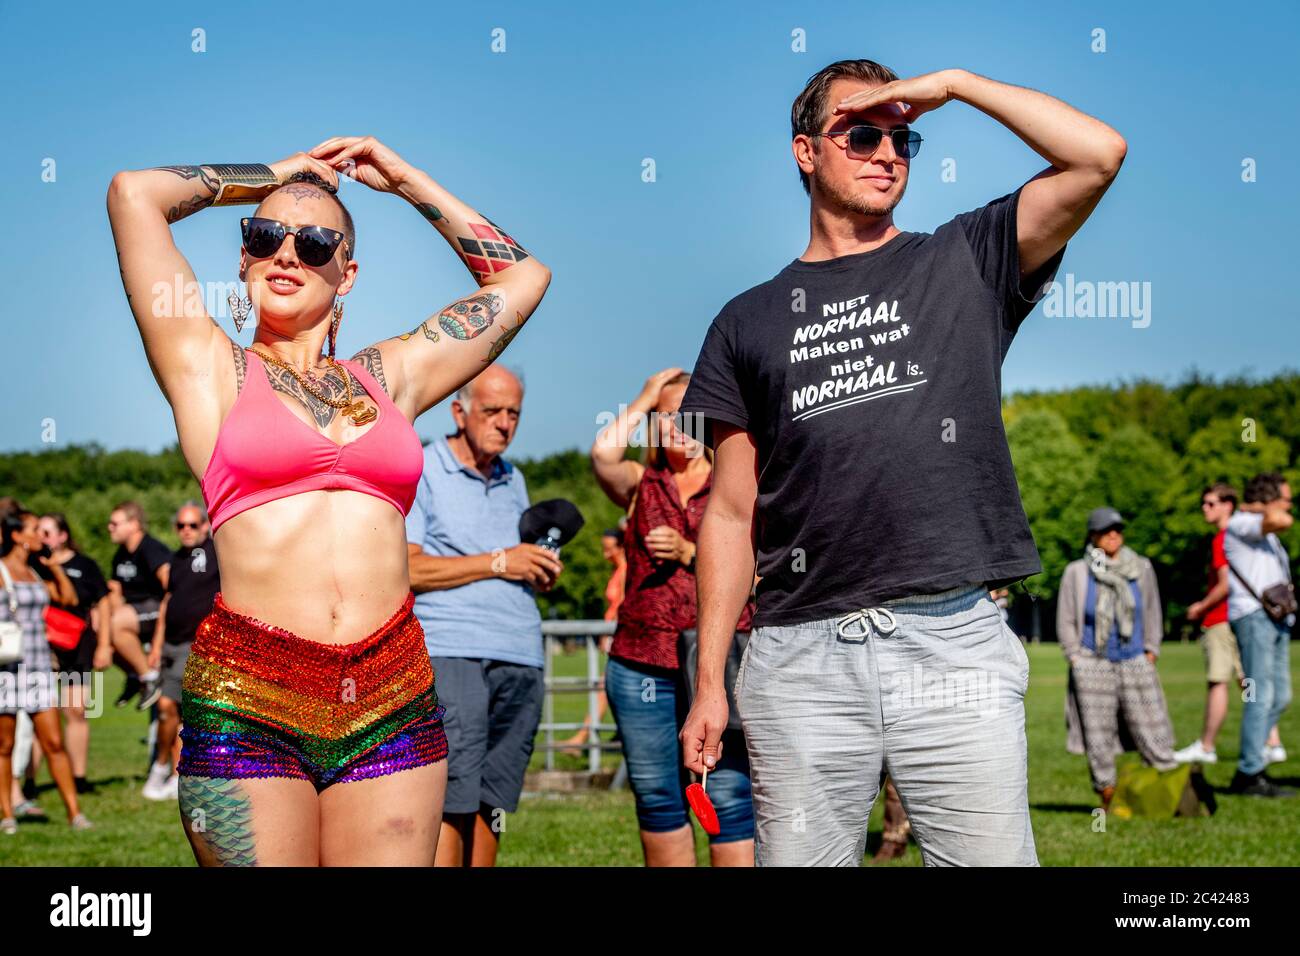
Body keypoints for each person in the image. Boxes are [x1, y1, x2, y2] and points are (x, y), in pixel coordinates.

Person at [678, 59, 1125, 866]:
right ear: (805, 152)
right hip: (799, 656)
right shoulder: (743, 321)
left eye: (903, 135)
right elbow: (732, 513)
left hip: (953, 641)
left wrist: (955, 84)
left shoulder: (967, 257)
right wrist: (710, 680)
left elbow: (1098, 155)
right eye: (861, 133)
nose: (888, 151)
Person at [107, 136, 550, 865]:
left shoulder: (390, 377)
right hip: (250, 697)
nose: (287, 253)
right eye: (265, 237)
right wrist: (280, 177)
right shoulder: (211, 370)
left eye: (315, 243)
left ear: (347, 275)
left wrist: (405, 180)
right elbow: (134, 194)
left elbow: (523, 279)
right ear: (243, 260)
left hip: (391, 695)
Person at [592, 367, 756, 867]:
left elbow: (754, 574)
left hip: (720, 660)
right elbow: (603, 454)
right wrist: (644, 398)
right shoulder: (643, 483)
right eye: (666, 418)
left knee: (727, 792)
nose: (677, 426)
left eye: (688, 414)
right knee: (659, 796)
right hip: (642, 662)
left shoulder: (736, 485)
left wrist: (689, 552)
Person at [405, 365, 558, 867]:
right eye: (492, 410)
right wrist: (499, 560)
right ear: (459, 411)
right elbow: (406, 568)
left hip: (519, 652)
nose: (504, 423)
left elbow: (514, 560)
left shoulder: (516, 479)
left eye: (513, 412)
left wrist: (534, 569)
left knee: (495, 797)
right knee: (452, 794)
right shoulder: (423, 468)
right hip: (452, 651)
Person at [1058, 508, 1179, 808]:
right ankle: (1107, 795)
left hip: (1135, 657)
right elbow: (1066, 618)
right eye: (1106, 530)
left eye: (1118, 530)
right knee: (1098, 734)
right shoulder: (1077, 571)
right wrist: (1075, 656)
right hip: (1091, 662)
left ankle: (1167, 790)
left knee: (1153, 725)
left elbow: (1152, 611)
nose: (1113, 535)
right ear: (1092, 535)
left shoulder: (1142, 568)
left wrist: (1152, 649)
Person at [0, 511, 92, 833]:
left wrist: (53, 566)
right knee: (4, 746)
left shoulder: (35, 572)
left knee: (54, 742)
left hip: (39, 667)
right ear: (16, 536)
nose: (42, 535)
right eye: (35, 530)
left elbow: (68, 598)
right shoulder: (1, 571)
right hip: (6, 670)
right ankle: (7, 815)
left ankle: (74, 813)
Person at [1223, 472, 1295, 797]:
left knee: (1280, 696)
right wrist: (1263, 507)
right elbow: (1282, 520)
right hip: (1253, 618)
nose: (1290, 506)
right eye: (1286, 498)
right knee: (1259, 695)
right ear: (1267, 501)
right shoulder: (1240, 523)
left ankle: (1251, 764)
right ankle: (1250, 773)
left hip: (1275, 618)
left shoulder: (1260, 530)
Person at [142, 502, 220, 801]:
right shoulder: (175, 560)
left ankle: (171, 771)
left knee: (171, 707)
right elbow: (167, 602)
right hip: (171, 646)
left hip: (198, 645)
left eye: (192, 525)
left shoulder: (217, 554)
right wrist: (157, 645)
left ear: (205, 526)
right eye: (181, 526)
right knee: (171, 711)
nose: (186, 531)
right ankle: (169, 769)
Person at [38, 513, 112, 795]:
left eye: (47, 532)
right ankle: (31, 782)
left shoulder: (85, 565)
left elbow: (102, 602)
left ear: (62, 535)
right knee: (41, 710)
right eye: (39, 532)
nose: (43, 538)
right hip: (43, 645)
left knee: (76, 711)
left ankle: (79, 778)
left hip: (77, 646)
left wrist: (104, 644)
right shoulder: (34, 565)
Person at [1175, 484, 1245, 764]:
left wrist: (1200, 607)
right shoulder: (1243, 537)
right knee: (1246, 681)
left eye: (1211, 503)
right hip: (1242, 618)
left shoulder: (1223, 539)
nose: (1205, 508)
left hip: (1221, 620)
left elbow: (1226, 584)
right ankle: (1271, 740)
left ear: (1228, 505)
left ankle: (1206, 746)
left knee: (1218, 682)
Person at [106, 501, 169, 710]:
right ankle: (134, 675)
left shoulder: (151, 549)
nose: (109, 527)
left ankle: (150, 678)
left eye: (115, 523)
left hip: (156, 607)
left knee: (116, 623)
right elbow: (114, 591)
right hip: (134, 611)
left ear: (133, 524)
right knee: (100, 625)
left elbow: (172, 586)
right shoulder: (120, 554)